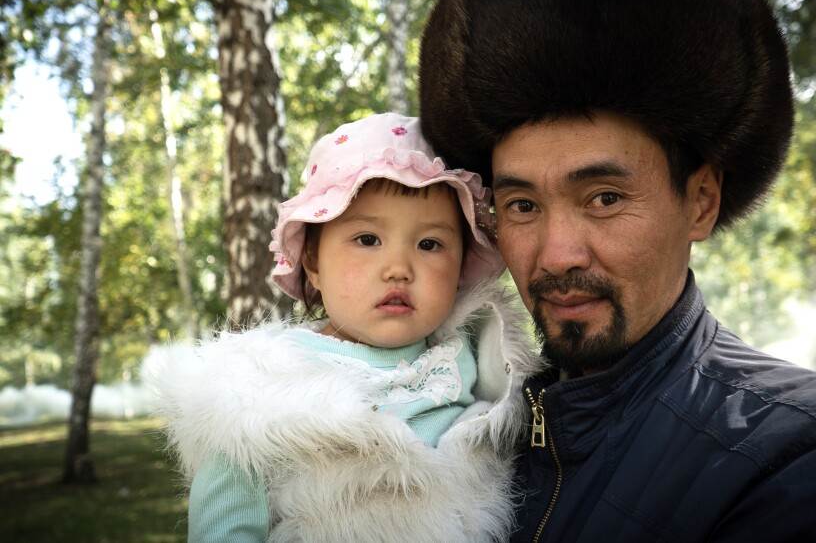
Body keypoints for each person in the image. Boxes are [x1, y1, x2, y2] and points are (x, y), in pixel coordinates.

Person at [418, 0, 816, 541]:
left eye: (605, 198)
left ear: (702, 202)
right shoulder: (453, 415)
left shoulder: (807, 453)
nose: (557, 256)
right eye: (523, 206)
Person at [144, 113, 545, 542]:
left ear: (461, 266)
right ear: (313, 263)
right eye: (368, 239)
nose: (398, 269)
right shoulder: (254, 393)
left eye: (429, 244)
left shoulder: (492, 373)